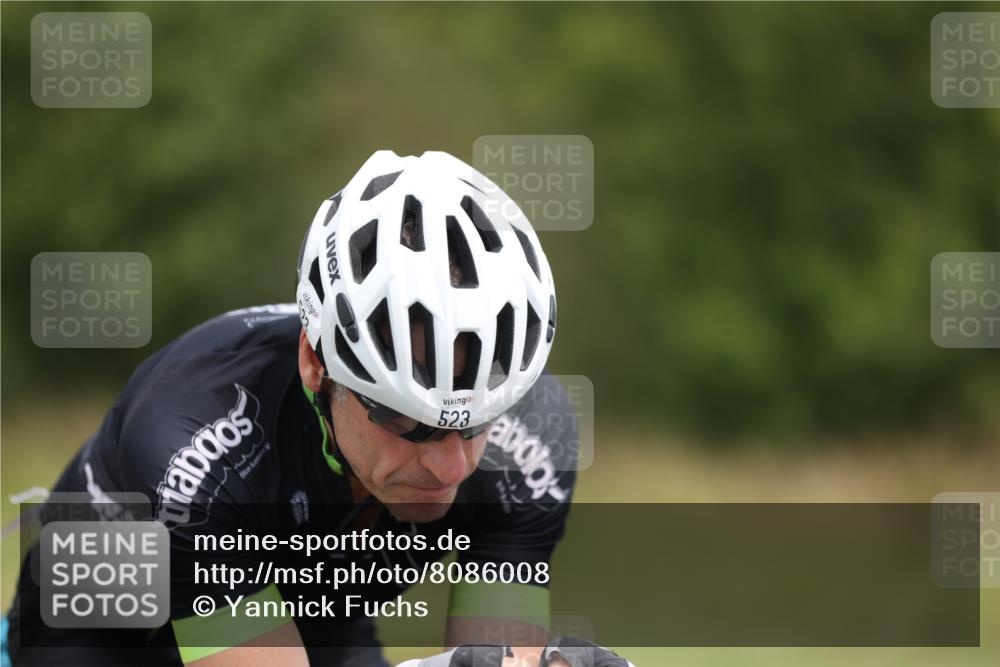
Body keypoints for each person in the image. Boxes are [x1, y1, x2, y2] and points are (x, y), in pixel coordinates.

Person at [5, 151, 579, 667]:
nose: (452, 467)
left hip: (313, 616)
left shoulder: (533, 441)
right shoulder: (190, 443)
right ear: (316, 363)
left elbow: (503, 658)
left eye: (478, 422)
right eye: (408, 422)